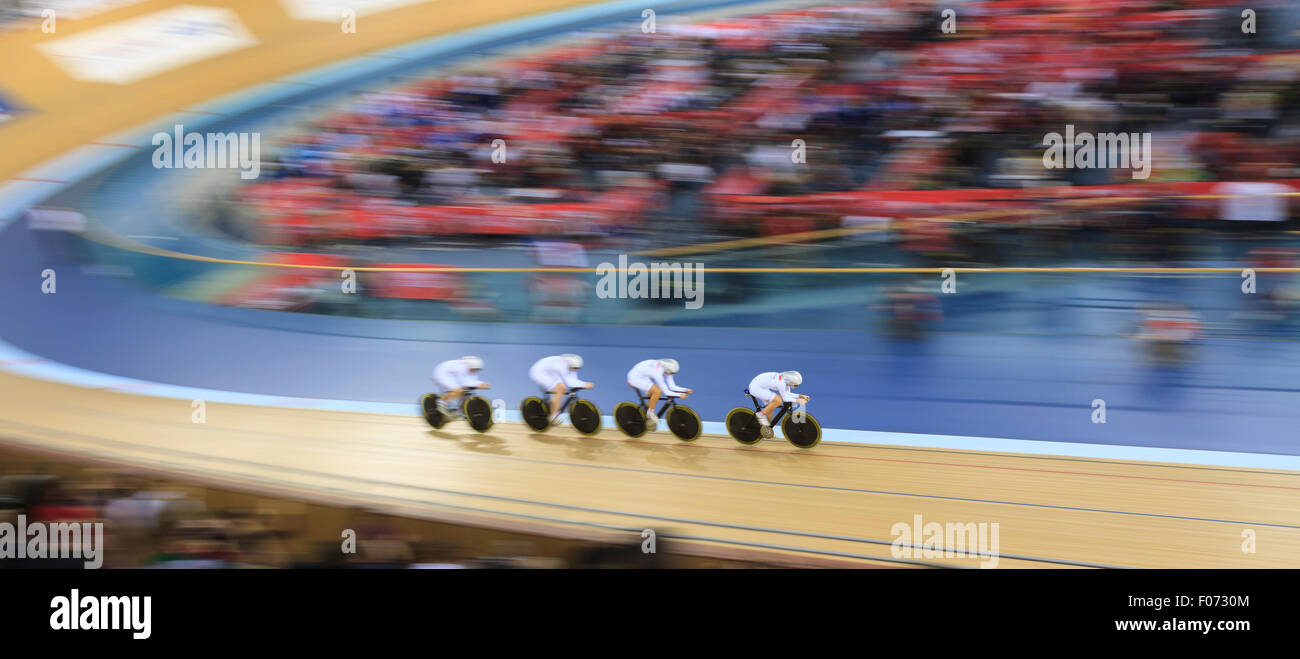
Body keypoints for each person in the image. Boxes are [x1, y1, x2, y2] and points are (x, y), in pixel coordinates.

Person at [529, 353, 593, 424]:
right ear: (569, 365)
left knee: (561, 388)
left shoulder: (570, 365)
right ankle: (553, 416)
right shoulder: (562, 366)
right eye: (574, 368)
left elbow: (573, 379)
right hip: (538, 372)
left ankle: (553, 405)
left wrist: (581, 384)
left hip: (549, 371)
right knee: (561, 388)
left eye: (577, 368)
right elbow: (570, 382)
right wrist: (584, 384)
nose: (575, 370)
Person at [626, 358, 691, 426]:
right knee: (657, 391)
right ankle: (650, 414)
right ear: (667, 369)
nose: (671, 374)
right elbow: (666, 392)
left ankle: (646, 415)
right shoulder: (657, 373)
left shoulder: (666, 368)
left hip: (642, 375)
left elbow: (672, 386)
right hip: (634, 378)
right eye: (671, 373)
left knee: (653, 394)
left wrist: (685, 390)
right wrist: (679, 395)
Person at [747, 370, 809, 438]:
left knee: (770, 410)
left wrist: (800, 396)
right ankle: (760, 414)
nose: (796, 386)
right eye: (796, 385)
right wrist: (798, 400)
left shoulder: (785, 381)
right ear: (790, 381)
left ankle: (766, 430)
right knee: (778, 400)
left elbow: (787, 394)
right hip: (756, 388)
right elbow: (785, 399)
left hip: (761, 387)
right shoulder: (781, 383)